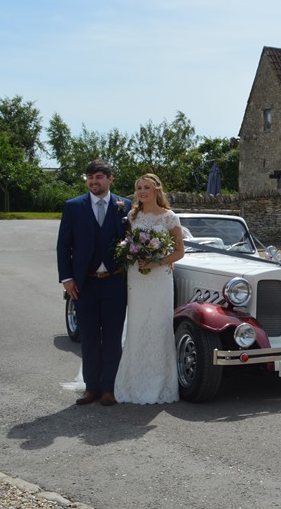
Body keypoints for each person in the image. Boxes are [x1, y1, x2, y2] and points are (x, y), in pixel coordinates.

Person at [56, 159, 129, 406]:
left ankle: (109, 388)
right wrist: (66, 279)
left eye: (99, 177)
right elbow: (63, 245)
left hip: (114, 282)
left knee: (112, 337)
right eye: (90, 177)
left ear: (110, 179)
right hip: (84, 284)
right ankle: (91, 388)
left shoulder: (125, 206)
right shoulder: (73, 206)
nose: (93, 181)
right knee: (88, 336)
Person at [113, 173, 184, 405]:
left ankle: (159, 383)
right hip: (137, 277)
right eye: (139, 188)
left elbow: (179, 252)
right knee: (136, 325)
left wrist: (157, 262)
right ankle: (134, 381)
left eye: (146, 187)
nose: (142, 191)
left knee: (158, 326)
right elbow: (126, 244)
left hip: (160, 278)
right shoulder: (133, 216)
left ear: (156, 190)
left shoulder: (169, 217)